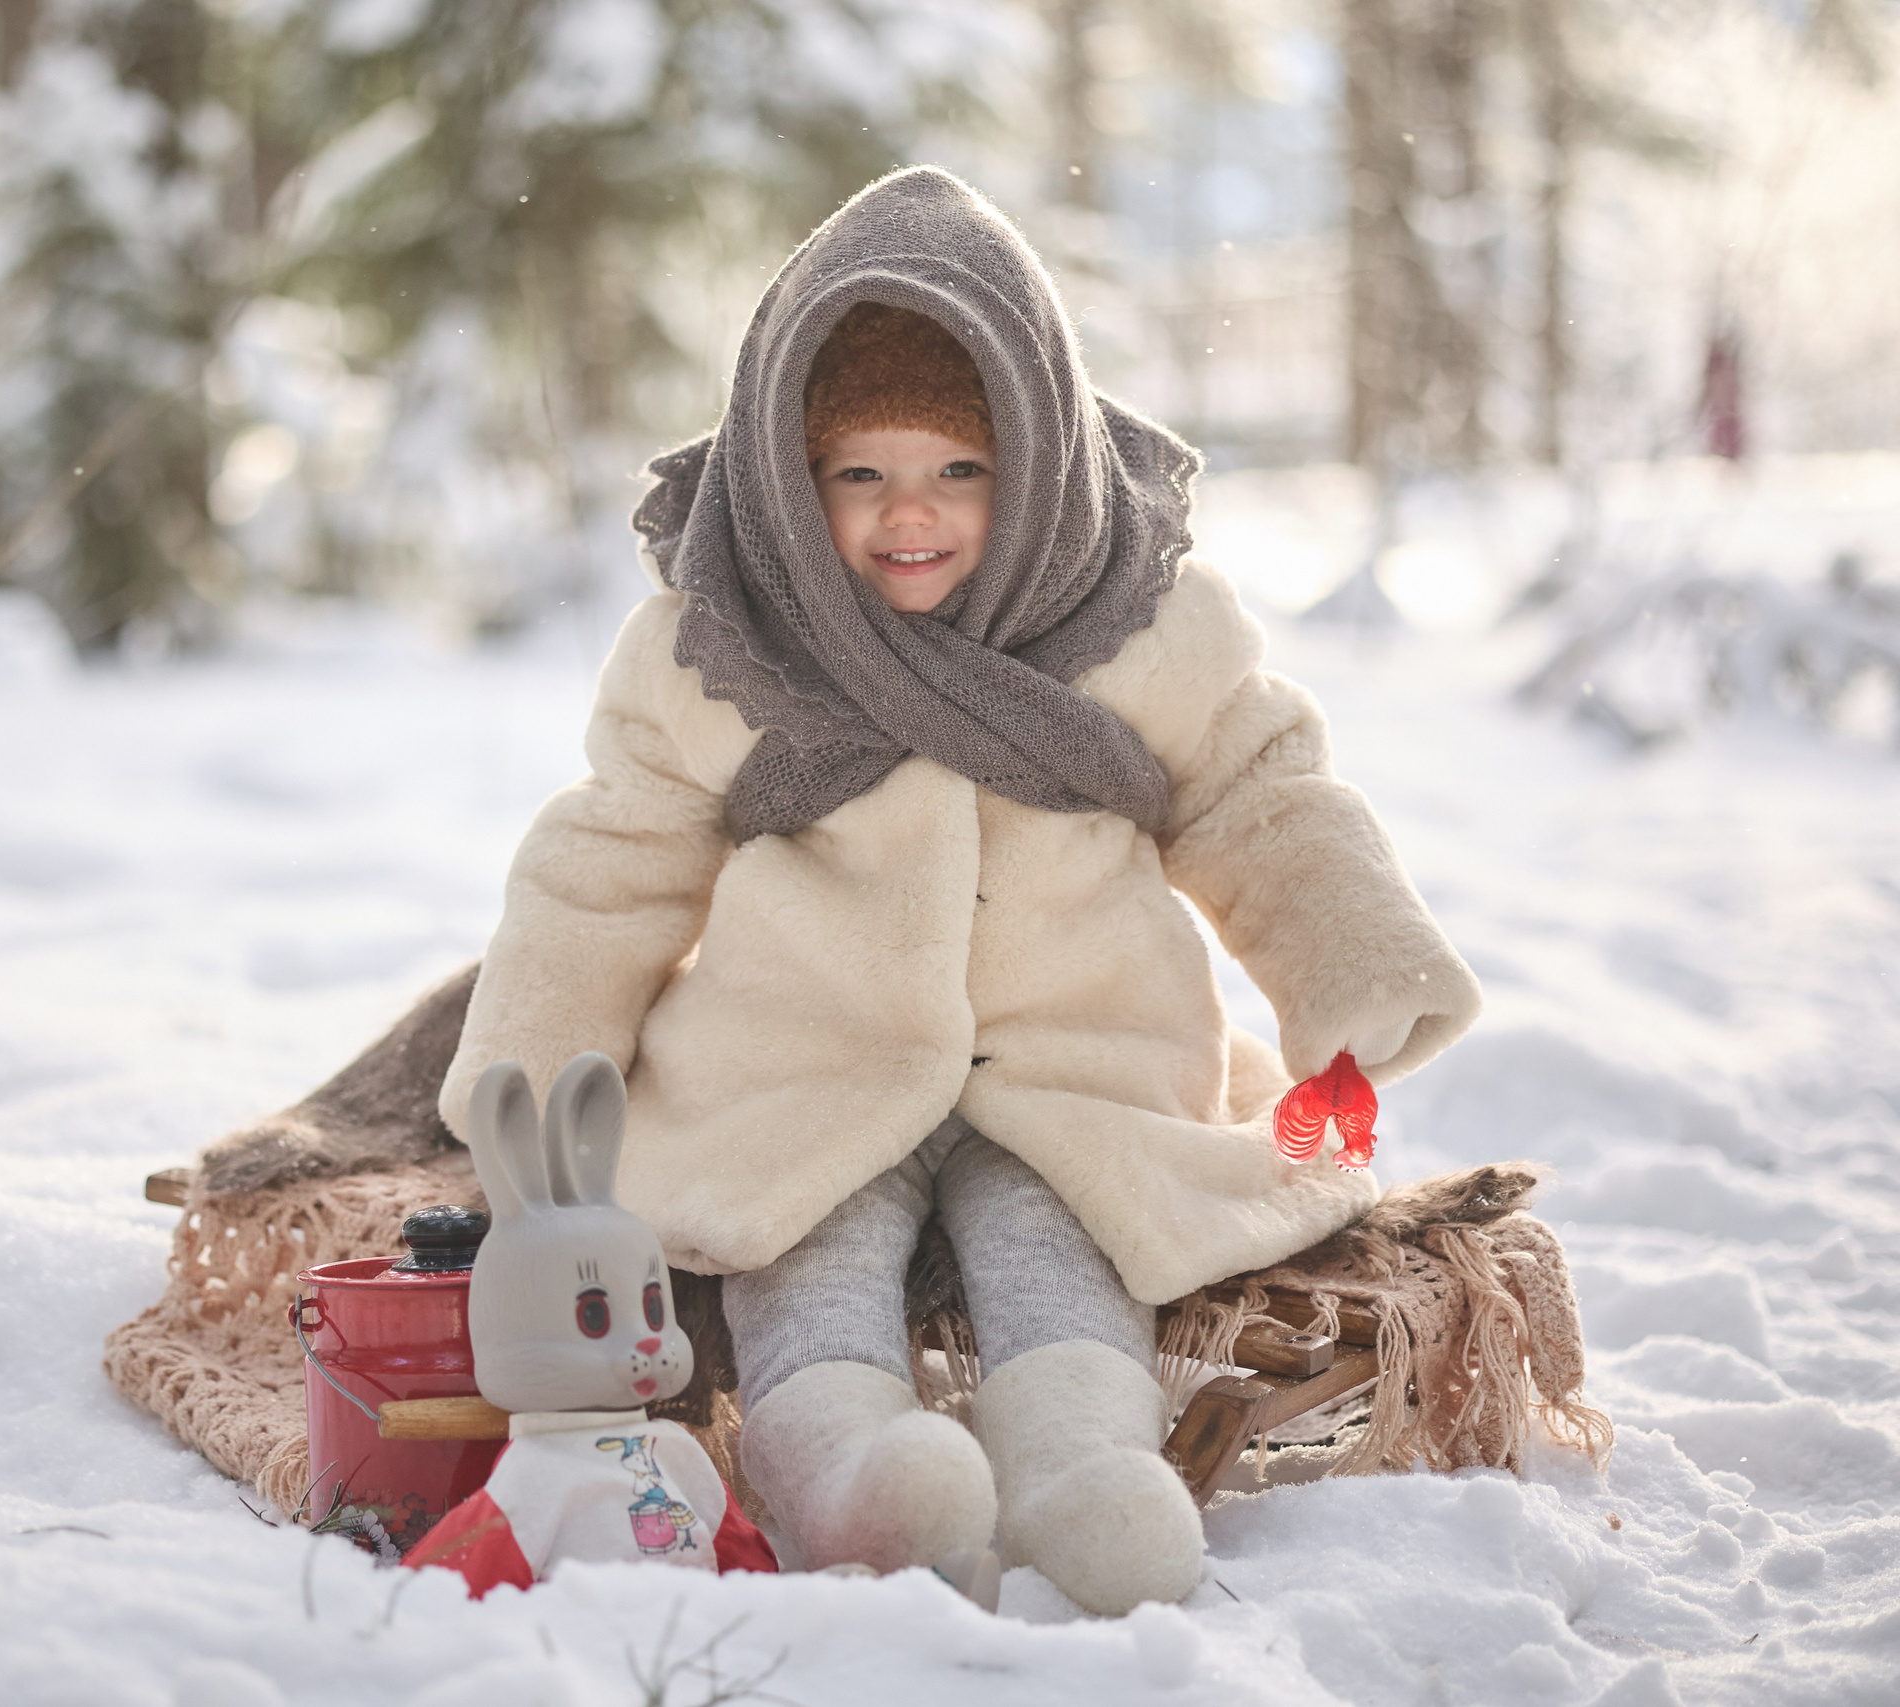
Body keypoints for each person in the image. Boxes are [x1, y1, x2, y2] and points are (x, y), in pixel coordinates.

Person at [437, 166, 1482, 1615]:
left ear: (1039, 456)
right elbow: (610, 859)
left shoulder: (1135, 615)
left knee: (1062, 1233)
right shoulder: (719, 643)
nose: (907, 515)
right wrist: (536, 1055)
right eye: (859, 474)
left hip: (1076, 1047)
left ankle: (1074, 1471)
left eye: (959, 471)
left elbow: (1259, 787)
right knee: (805, 1237)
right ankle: (846, 1466)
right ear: (788, 483)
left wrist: (1352, 962)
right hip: (800, 1050)